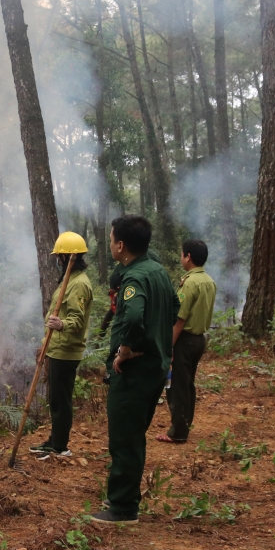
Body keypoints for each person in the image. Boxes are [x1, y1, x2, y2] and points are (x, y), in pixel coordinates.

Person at [92, 215, 178, 525]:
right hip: (156, 367)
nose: (110, 244)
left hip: (135, 372)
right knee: (133, 434)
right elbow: (175, 309)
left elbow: (132, 317)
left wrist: (126, 350)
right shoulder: (158, 271)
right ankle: (124, 494)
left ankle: (123, 508)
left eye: (112, 239)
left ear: (121, 244)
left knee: (124, 438)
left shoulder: (134, 278)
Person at [30, 232, 94, 459]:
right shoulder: (68, 280)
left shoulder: (78, 285)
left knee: (61, 400)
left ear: (69, 258)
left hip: (66, 351)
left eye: (60, 257)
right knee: (56, 398)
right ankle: (54, 441)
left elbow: (77, 320)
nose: (57, 261)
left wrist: (61, 324)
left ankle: (60, 447)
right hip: (57, 349)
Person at [156, 239, 216, 445]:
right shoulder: (208, 281)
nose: (181, 257)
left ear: (188, 256)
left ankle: (178, 431)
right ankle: (184, 424)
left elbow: (180, 319)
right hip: (199, 340)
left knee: (178, 386)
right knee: (188, 384)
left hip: (184, 340)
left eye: (182, 254)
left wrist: (168, 346)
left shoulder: (189, 283)